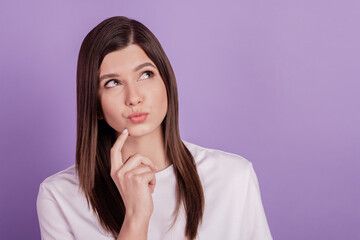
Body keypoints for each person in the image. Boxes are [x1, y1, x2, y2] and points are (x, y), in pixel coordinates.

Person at [36, 16, 273, 240]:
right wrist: (136, 218)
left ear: (167, 84)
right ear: (95, 104)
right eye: (113, 82)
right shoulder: (59, 197)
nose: (134, 97)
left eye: (146, 74)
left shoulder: (233, 177)